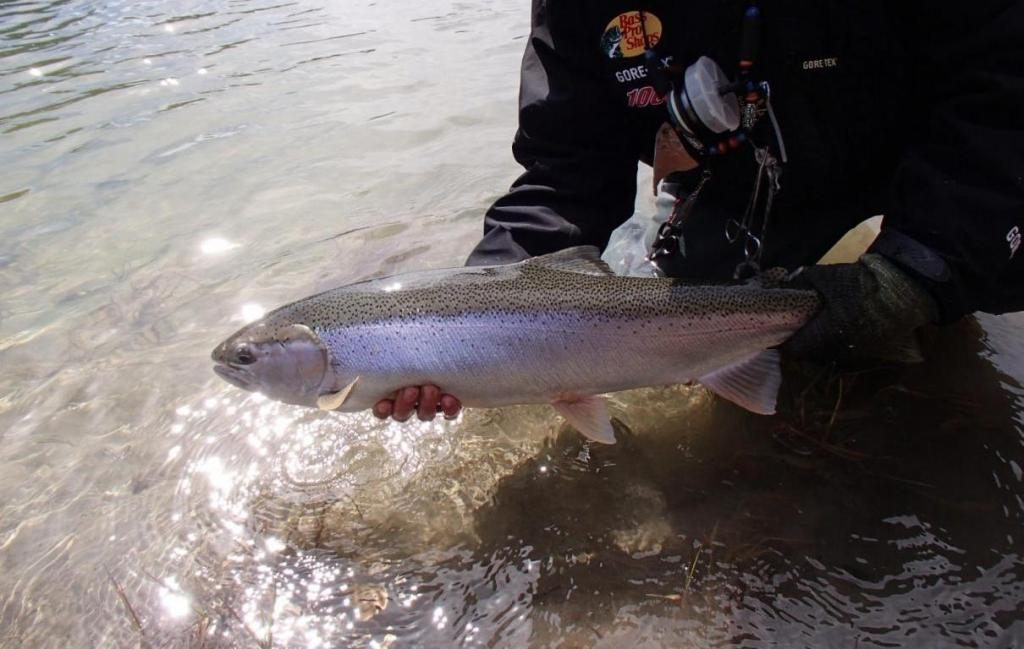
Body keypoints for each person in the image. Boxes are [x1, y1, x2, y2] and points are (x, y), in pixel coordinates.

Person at [374, 0, 1024, 422]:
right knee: (729, 360)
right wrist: (471, 307)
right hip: (733, 183)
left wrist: (915, 270)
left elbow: (1001, 95)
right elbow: (563, 174)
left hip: (912, 144)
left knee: (938, 328)